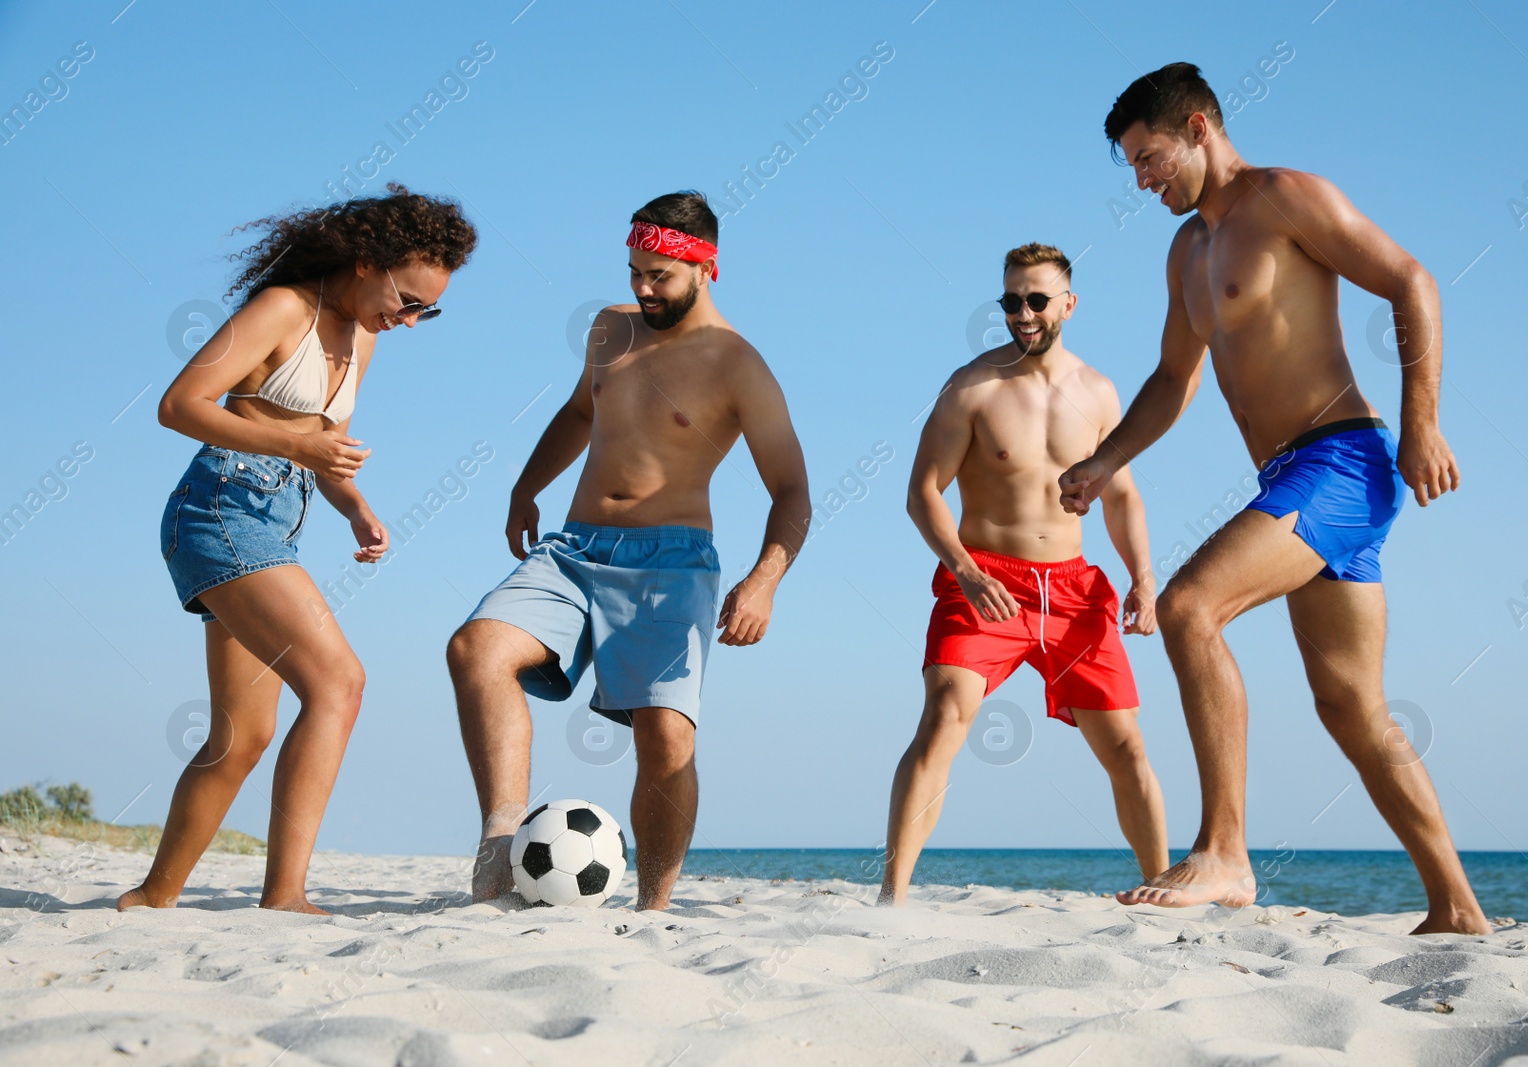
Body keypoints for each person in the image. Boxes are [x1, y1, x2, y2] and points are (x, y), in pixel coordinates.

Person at [1060, 64, 1490, 934]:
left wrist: (1423, 423)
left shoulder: (1285, 197)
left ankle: (1225, 850)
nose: (1142, 180)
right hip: (1289, 479)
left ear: (1197, 126)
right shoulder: (1187, 251)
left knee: (1188, 607)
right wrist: (1105, 460)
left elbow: (1414, 280)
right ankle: (1459, 907)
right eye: (1133, 166)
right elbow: (1173, 380)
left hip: (1343, 462)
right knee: (1352, 708)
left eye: (1149, 158)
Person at [448, 190, 810, 911]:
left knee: (666, 739)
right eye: (634, 271)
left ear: (706, 267)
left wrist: (765, 578)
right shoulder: (611, 329)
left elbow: (793, 490)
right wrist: (527, 485)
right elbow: (583, 410)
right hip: (575, 550)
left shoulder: (739, 365)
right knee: (476, 649)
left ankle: (653, 908)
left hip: (671, 563)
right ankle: (499, 840)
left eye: (659, 276)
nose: (642, 289)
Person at [119, 184, 477, 914]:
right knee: (339, 683)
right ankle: (285, 895)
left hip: (275, 521)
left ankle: (151, 900)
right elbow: (179, 404)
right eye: (406, 298)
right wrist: (292, 440)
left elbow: (323, 451)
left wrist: (356, 508)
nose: (408, 320)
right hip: (220, 507)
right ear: (366, 260)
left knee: (241, 737)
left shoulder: (364, 338)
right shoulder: (285, 308)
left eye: (425, 311)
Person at [877, 242, 1168, 906]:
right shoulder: (972, 386)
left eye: (1037, 300)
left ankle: (1158, 887)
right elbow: (922, 492)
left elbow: (1122, 495)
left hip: (1072, 589)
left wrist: (1143, 578)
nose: (1023, 313)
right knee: (945, 715)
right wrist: (965, 570)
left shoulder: (1098, 392)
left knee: (1126, 746)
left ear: (1069, 303)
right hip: (985, 581)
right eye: (1011, 301)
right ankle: (892, 896)